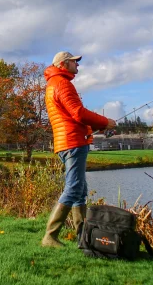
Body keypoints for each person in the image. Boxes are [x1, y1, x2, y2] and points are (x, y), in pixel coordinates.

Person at [41, 51, 116, 247]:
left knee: (80, 191)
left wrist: (98, 126)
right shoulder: (62, 83)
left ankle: (82, 236)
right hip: (73, 143)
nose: (78, 65)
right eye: (75, 62)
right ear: (64, 64)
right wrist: (105, 121)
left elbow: (71, 118)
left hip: (68, 141)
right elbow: (78, 113)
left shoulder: (54, 83)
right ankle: (50, 236)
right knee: (74, 188)